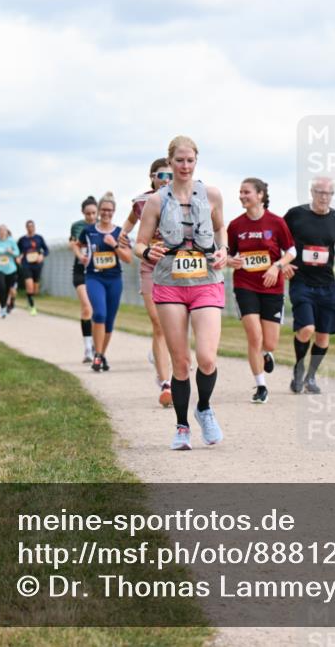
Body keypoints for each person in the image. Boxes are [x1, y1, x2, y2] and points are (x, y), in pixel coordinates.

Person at [133, 135, 228, 451]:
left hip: (207, 282)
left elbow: (219, 231)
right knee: (181, 362)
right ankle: (182, 426)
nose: (185, 166)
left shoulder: (211, 195)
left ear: (196, 162)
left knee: (207, 358)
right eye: (179, 161)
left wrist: (223, 250)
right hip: (170, 283)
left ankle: (204, 409)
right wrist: (147, 254)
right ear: (170, 163)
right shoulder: (157, 201)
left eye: (190, 161)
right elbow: (139, 243)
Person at [283, 176, 335, 395]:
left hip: (327, 284)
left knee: (323, 336)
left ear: (332, 195)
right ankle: (298, 367)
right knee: (306, 329)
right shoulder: (296, 214)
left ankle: (310, 376)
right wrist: (282, 263)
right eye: (320, 192)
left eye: (328, 193)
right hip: (301, 281)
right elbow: (278, 240)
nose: (324, 197)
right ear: (312, 192)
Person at [227, 177, 296, 403]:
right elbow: (228, 254)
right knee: (254, 337)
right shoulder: (236, 226)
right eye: (240, 192)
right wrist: (230, 261)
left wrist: (277, 266)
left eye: (246, 192)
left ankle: (267, 354)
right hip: (245, 285)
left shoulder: (276, 223)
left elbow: (292, 251)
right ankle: (260, 386)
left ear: (260, 195)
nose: (242, 196)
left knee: (270, 342)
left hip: (272, 287)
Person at [122, 158, 174, 406]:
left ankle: (161, 355)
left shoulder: (183, 200)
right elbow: (130, 223)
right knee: (158, 323)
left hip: (176, 268)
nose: (165, 180)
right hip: (150, 267)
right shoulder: (141, 202)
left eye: (170, 175)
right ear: (152, 177)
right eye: (161, 175)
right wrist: (123, 235)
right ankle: (166, 384)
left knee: (173, 325)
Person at [78, 192, 132, 372]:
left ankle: (100, 354)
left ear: (114, 211)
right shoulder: (89, 231)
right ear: (99, 210)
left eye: (110, 210)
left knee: (109, 321)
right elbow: (79, 245)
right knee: (99, 314)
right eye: (103, 210)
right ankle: (98, 356)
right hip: (94, 277)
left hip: (114, 279)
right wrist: (82, 257)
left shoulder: (119, 233)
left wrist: (114, 245)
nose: (106, 213)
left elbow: (128, 258)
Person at [70, 197, 98, 362]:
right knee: (87, 308)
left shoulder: (102, 226)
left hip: (98, 272)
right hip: (81, 270)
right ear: (83, 213)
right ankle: (88, 349)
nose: (91, 217)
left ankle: (96, 344)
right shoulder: (77, 226)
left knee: (97, 310)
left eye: (94, 213)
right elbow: (73, 244)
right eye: (88, 214)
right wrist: (81, 256)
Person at [17, 219, 49, 315]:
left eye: (32, 226)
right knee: (29, 285)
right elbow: (17, 251)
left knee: (35, 289)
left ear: (34, 227)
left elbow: (46, 250)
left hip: (37, 265)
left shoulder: (39, 238)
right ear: (26, 228)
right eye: (28, 226)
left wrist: (42, 255)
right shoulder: (22, 240)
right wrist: (18, 257)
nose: (30, 228)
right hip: (26, 264)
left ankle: (29, 298)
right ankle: (32, 307)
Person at [0, 224, 20, 318]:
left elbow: (17, 253)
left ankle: (6, 305)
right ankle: (3, 308)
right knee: (1, 287)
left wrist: (11, 252)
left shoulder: (11, 241)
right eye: (0, 230)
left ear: (7, 232)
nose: (2, 232)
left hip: (10, 269)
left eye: (4, 230)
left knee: (7, 289)